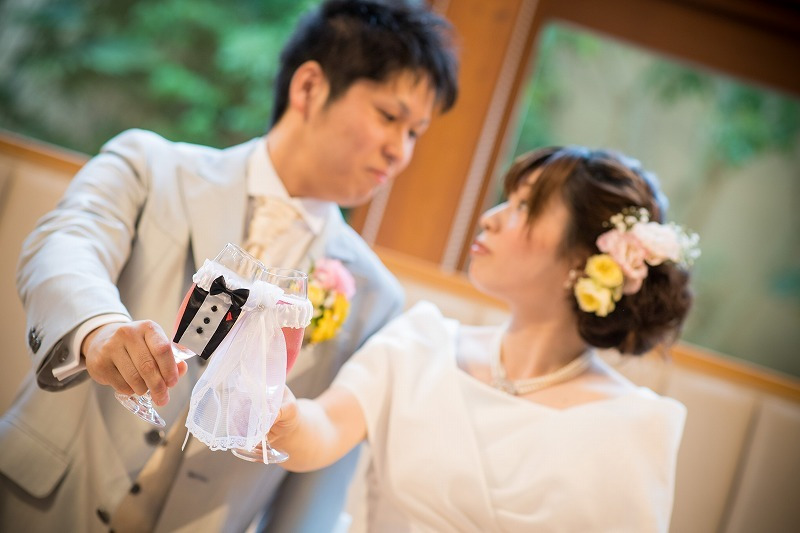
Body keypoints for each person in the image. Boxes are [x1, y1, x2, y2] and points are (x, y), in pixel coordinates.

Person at [0, 1, 458, 532]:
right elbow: (65, 244)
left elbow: (317, 480)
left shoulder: (375, 296)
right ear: (309, 87)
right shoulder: (151, 166)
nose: (400, 151)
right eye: (389, 117)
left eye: (415, 132)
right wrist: (98, 330)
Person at [265, 146, 699, 531]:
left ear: (587, 258)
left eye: (524, 206)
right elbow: (324, 430)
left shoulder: (630, 426)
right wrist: (283, 416)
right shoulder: (419, 344)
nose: (490, 218)